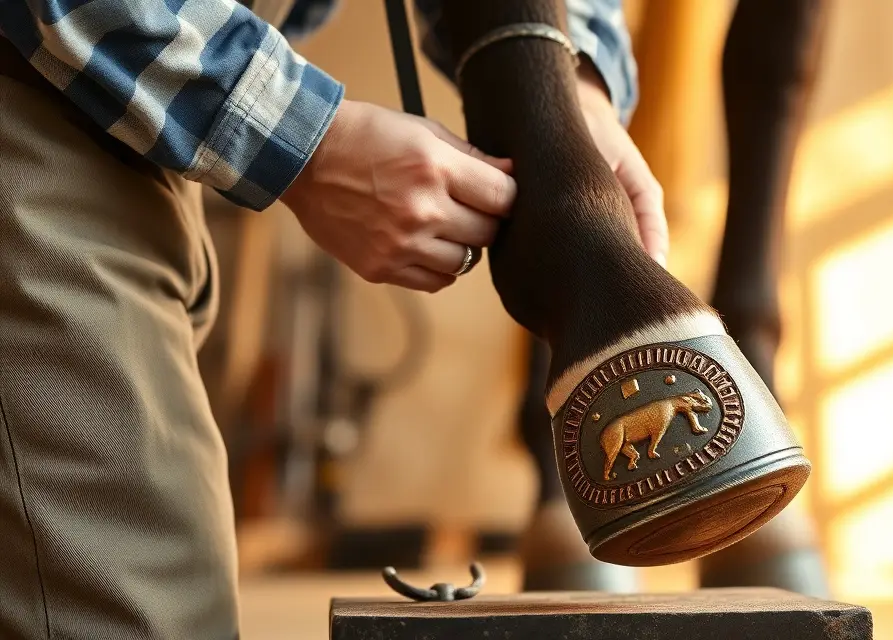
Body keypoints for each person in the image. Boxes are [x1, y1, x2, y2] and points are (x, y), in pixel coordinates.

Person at [0, 0, 662, 637]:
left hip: (133, 112)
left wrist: (568, 85)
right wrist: (311, 142)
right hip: (34, 87)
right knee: (145, 615)